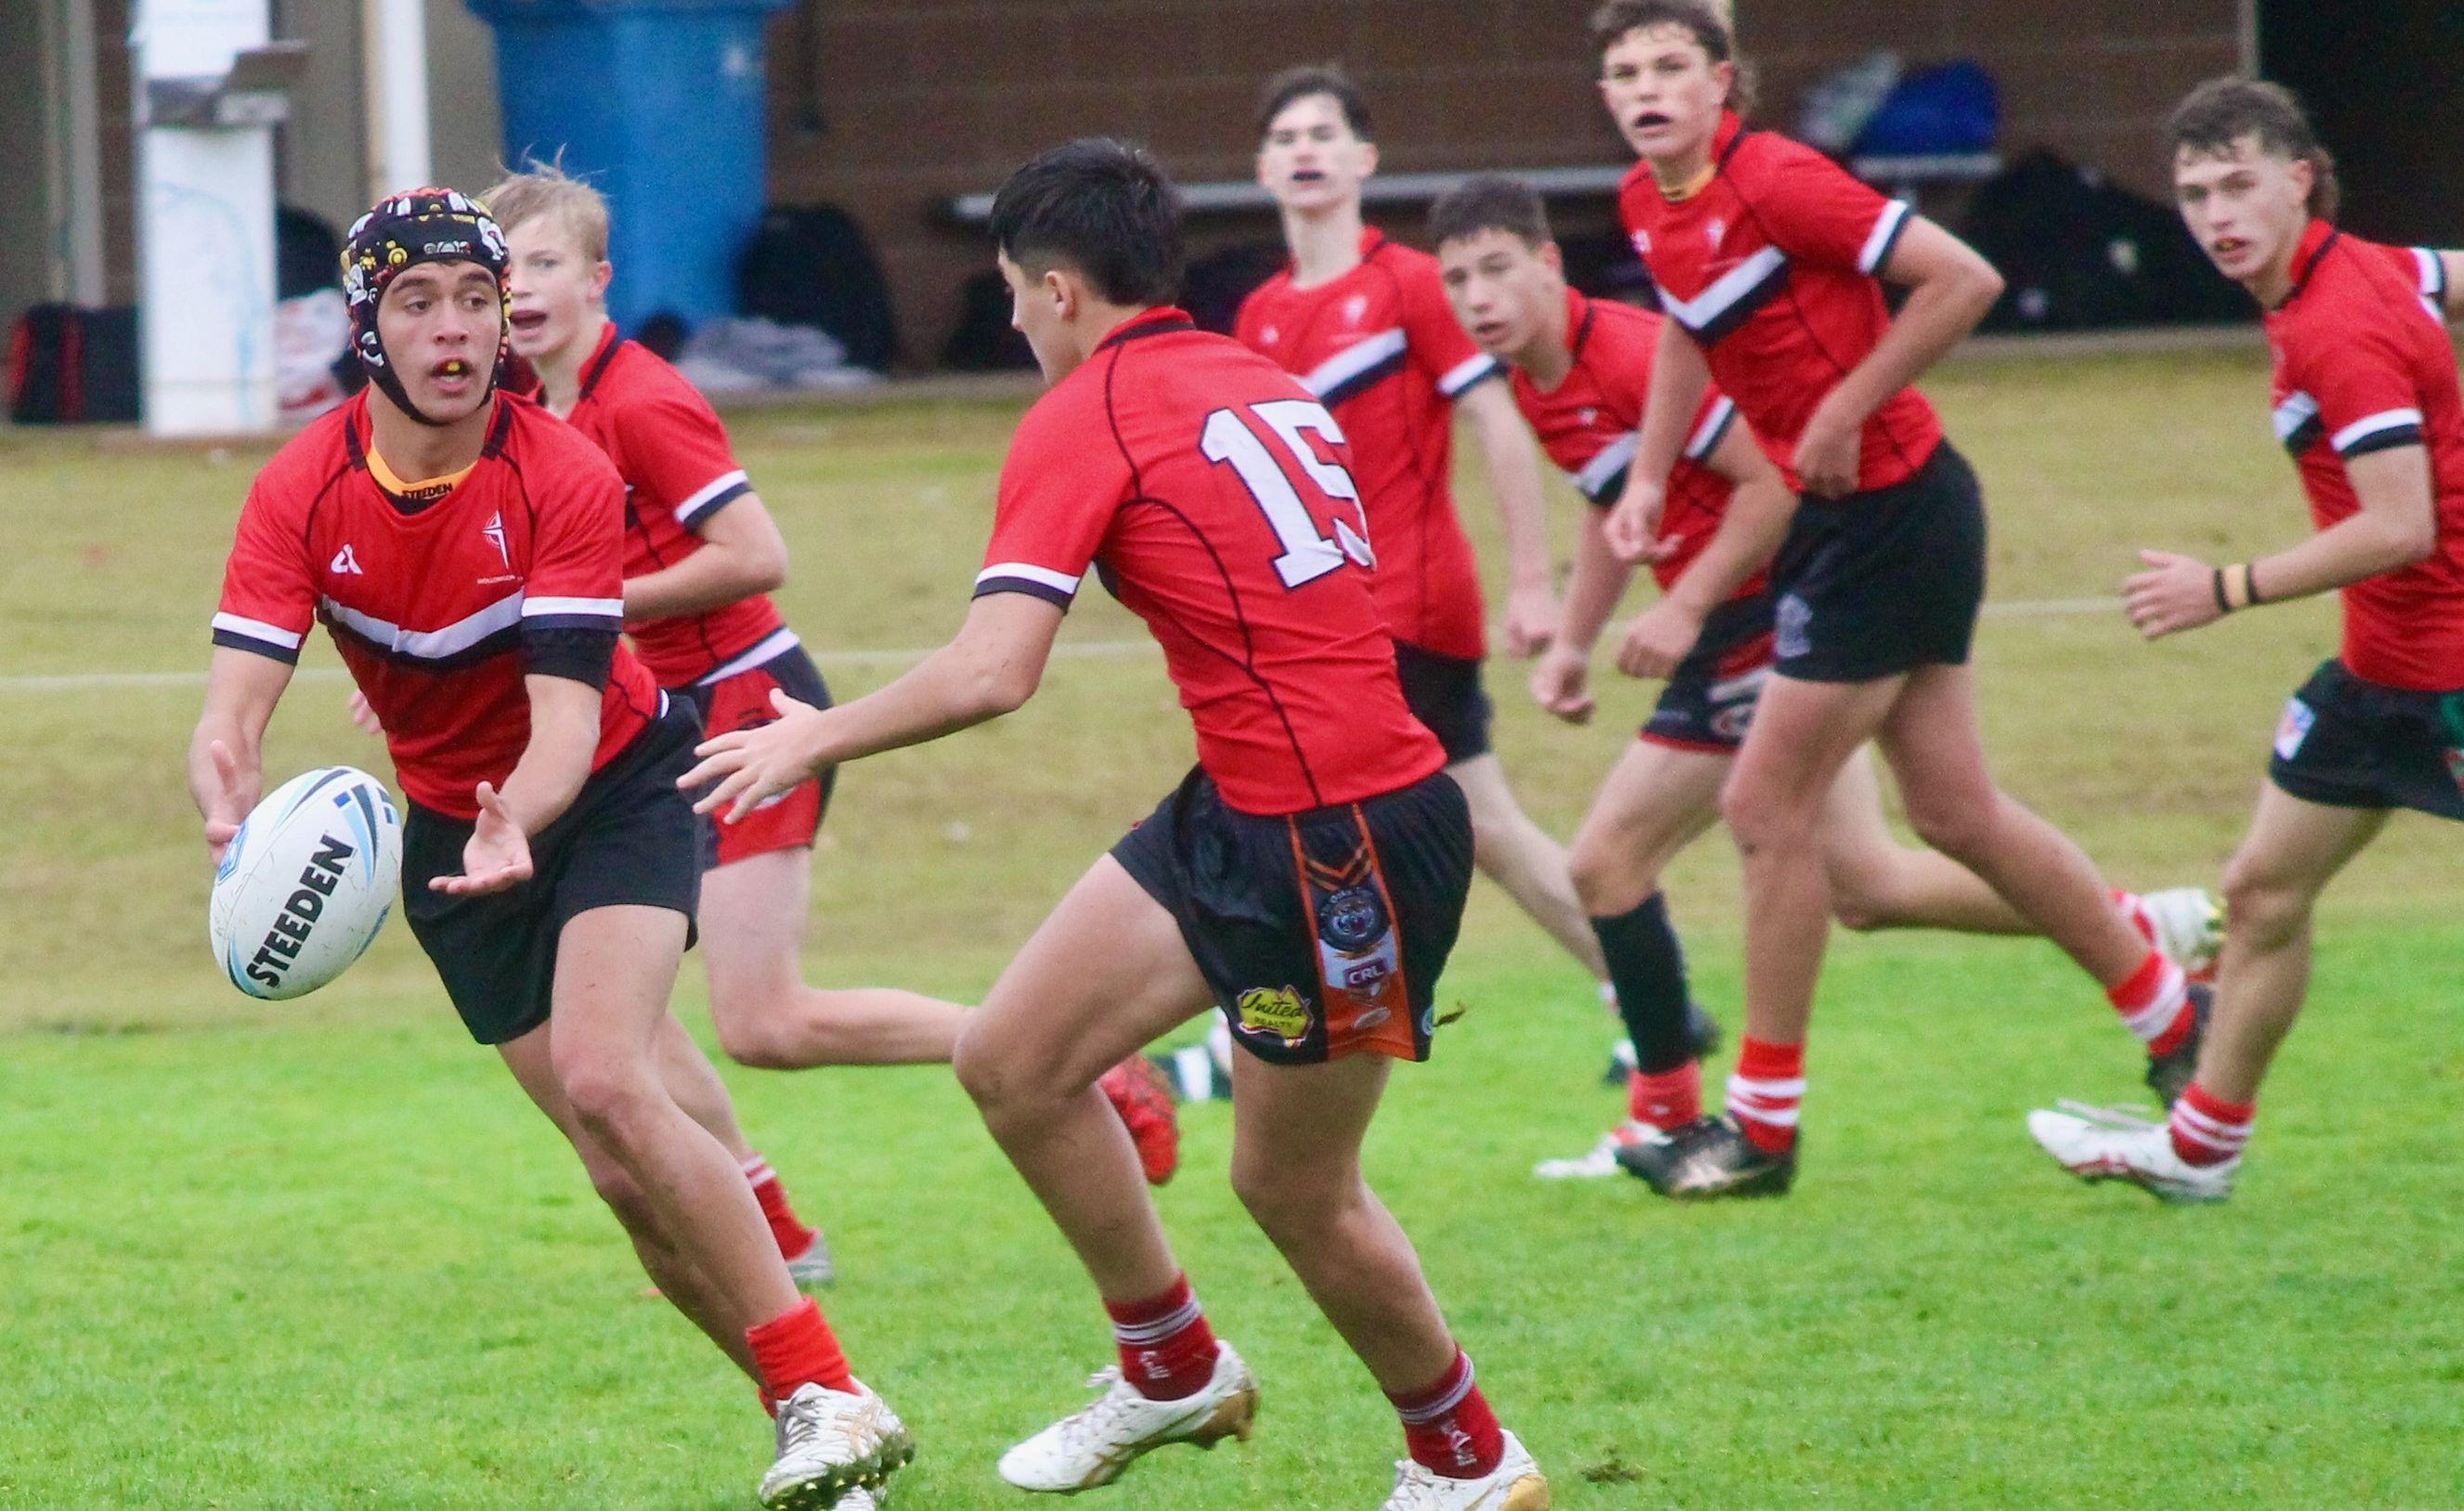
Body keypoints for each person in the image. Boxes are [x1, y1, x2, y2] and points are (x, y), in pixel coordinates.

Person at [682, 140, 1550, 1511]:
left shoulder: (1089, 411)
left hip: (1340, 838)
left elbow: (991, 671)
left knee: (1294, 1190)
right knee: (1015, 1059)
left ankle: (1468, 1460)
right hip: (1256, 802)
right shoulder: (1260, 380)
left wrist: (808, 732)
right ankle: (1170, 1367)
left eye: (1016, 297)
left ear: (1060, 289)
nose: (1015, 320)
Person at [188, 187, 910, 1511]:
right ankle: (807, 1417)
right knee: (616, 1176)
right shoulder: (300, 487)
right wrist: (224, 765)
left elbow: (569, 714)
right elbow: (237, 693)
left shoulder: (562, 471)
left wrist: (522, 807)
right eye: (419, 303)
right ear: (369, 327)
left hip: (613, 788)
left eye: (474, 298)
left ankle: (827, 1389)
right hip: (453, 838)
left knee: (607, 1077)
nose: (457, 327)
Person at [354, 165, 1180, 1195]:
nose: (514, 289)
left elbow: (754, 554)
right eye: (498, 268)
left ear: (599, 279)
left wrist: (573, 613)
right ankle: (766, 1220)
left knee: (764, 1019)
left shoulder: (643, 398)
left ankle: (1068, 1054)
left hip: (748, 703)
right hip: (641, 723)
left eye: (543, 263)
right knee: (613, 1011)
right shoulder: (517, 411)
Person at [1428, 174, 2222, 1182]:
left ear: (1549, 263)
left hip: (1766, 614)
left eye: (1496, 269)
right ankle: (2146, 932)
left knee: (1606, 862)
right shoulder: (1537, 377)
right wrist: (1575, 639)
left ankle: (1667, 1116)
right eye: (1456, 280)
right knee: (1869, 879)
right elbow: (1612, 504)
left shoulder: (1627, 350)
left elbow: (1768, 481)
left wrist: (1679, 607)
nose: (1477, 297)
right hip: (1759, 613)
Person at [1593, 0, 2212, 1197]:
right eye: (1622, 71)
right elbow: (1685, 330)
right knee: (1955, 814)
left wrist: (1835, 409)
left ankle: (1759, 1130)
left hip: (1892, 515)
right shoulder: (1647, 203)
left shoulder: (1776, 180)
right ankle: (2173, 1011)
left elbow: (1960, 278)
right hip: (1858, 523)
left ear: (1723, 80)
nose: (1645, 86)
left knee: (1766, 807)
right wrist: (1651, 476)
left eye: (1670, 63)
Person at [2028, 80, 2464, 1203]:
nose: (2215, 214)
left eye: (2236, 186)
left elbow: (2396, 523)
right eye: (2191, 193)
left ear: (2295, 181)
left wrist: (2221, 585)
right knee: (2262, 894)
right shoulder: (2353, 270)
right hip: (2377, 676)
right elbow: (2445, 277)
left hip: (2449, 671)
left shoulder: (2336, 323)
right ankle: (2198, 1149)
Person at [1236, 66, 1628, 1036]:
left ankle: (1259, 1021)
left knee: (1294, 813)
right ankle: (1645, 996)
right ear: (1258, 168)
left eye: (1323, 132)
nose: (1304, 150)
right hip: (1322, 619)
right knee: (1479, 825)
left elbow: (1495, 420)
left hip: (1407, 604)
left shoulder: (1411, 283)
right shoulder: (1259, 315)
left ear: (1364, 158)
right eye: (1285, 137)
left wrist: (1530, 580)